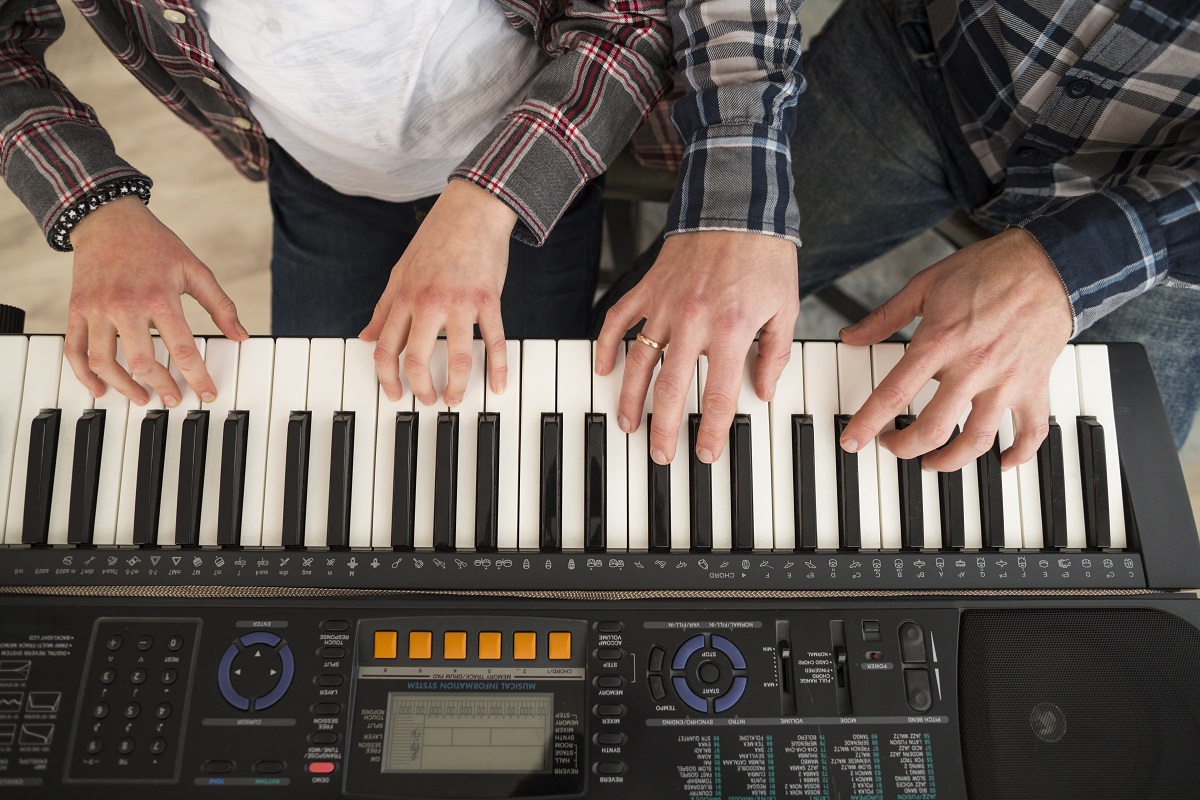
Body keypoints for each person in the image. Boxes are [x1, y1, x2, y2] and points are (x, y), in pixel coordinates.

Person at [598, 0, 1200, 472]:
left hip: (1162, 216)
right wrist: (736, 165)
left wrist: (1081, 263)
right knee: (638, 354)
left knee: (1118, 524)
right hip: (929, 59)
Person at [0, 0, 672, 409]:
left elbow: (628, 21)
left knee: (515, 413)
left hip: (532, 157)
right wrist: (97, 208)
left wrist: (485, 203)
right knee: (323, 411)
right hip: (317, 174)